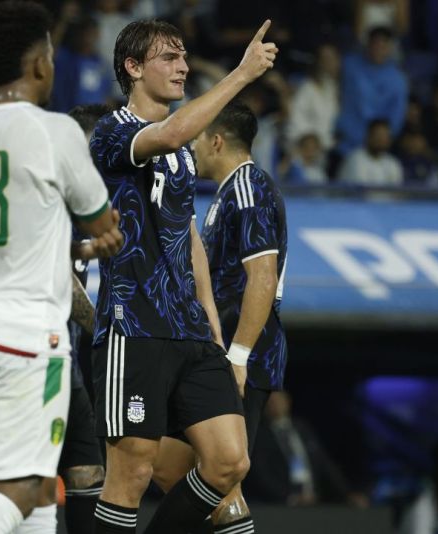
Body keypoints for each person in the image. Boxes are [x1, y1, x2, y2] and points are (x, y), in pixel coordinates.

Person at [89, 16, 277, 534]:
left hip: (190, 331)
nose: (183, 67)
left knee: (229, 462)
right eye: (169, 58)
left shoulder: (183, 160)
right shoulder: (113, 132)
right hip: (134, 327)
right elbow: (171, 133)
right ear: (132, 67)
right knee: (132, 473)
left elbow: (188, 237)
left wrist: (211, 320)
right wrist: (242, 74)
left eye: (184, 57)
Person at [0, 3, 123, 532]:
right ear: (39, 63)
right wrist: (103, 234)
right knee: (17, 491)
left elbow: (19, 231)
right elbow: (99, 217)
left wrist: (78, 248)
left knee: (38, 488)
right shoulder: (53, 130)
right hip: (25, 335)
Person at [156, 100, 289, 534]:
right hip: (213, 354)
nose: (191, 146)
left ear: (216, 141)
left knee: (223, 476)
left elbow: (263, 277)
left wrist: (238, 356)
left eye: (197, 138)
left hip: (239, 355)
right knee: (169, 464)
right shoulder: (229, 192)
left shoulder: (249, 186)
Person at [60, 103, 117, 534]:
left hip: (66, 362)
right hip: (37, 356)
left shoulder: (86, 202)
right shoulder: (56, 194)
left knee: (87, 472)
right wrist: (103, 329)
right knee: (26, 482)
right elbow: (59, 278)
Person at [337, 26, 408, 156]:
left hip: (374, 150)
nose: (378, 49)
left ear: (390, 48)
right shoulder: (349, 64)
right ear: (367, 45)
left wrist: (381, 141)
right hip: (343, 143)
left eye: (383, 46)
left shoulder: (398, 79)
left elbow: (396, 119)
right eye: (375, 44)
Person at [288, 43, 340, 154]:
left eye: (331, 59)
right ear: (317, 62)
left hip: (327, 148)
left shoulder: (333, 88)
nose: (328, 63)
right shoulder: (306, 88)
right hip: (304, 149)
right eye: (324, 59)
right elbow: (295, 120)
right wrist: (310, 142)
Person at [337, 119, 403, 186]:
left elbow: (397, 190)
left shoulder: (393, 163)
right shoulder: (356, 160)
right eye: (378, 135)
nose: (381, 139)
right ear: (368, 136)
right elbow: (359, 189)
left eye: (385, 136)